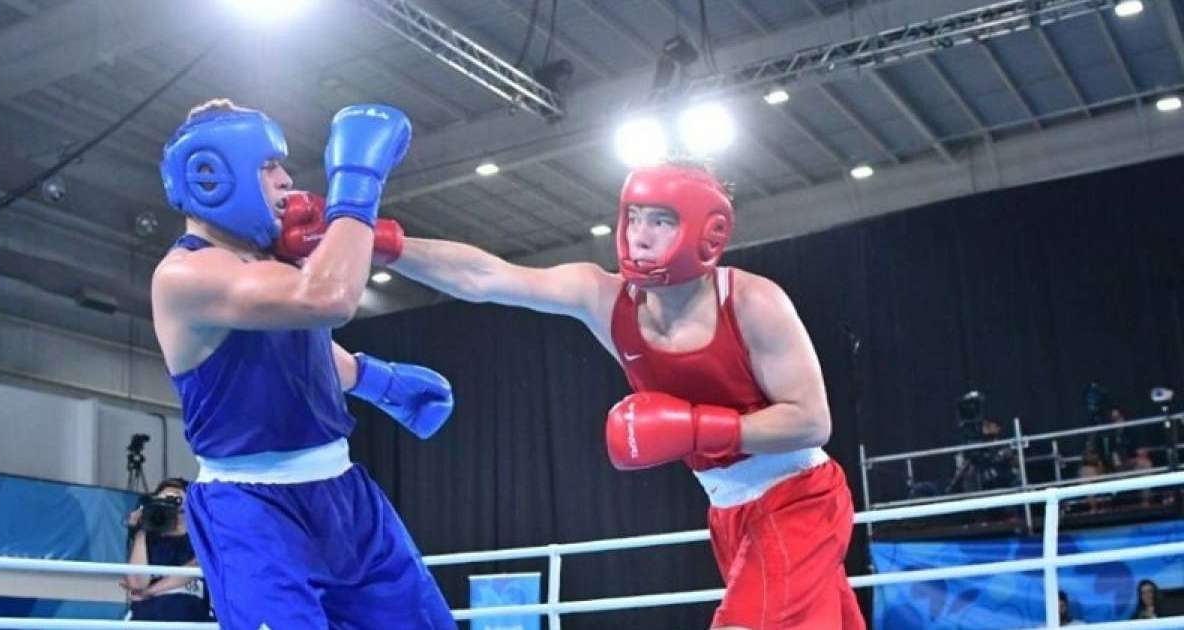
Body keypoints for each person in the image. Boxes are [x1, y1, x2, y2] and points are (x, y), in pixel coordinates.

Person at [288, 160, 865, 629]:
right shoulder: (603, 297)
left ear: (706, 231)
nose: (639, 234)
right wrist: (373, 239)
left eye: (661, 220)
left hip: (799, 498)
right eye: (634, 216)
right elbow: (484, 277)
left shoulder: (752, 301)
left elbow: (812, 421)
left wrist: (696, 428)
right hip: (727, 509)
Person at [151, 98, 456, 628]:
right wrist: (357, 180)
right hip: (251, 510)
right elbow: (328, 299)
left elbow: (300, 348)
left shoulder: (272, 263)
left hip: (344, 494)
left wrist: (379, 381)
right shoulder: (186, 275)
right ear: (213, 175)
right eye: (268, 166)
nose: (287, 180)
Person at [120, 478, 209, 621]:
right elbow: (137, 583)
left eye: (177, 499)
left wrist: (150, 591)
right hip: (146, 622)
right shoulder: (147, 539)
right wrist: (142, 528)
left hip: (192, 620)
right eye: (164, 499)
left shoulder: (201, 536)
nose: (171, 506)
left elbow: (195, 567)